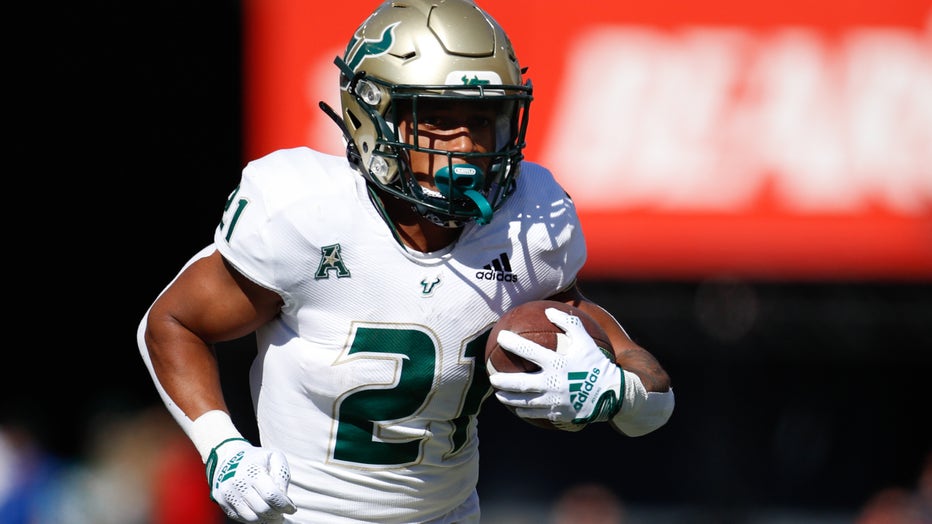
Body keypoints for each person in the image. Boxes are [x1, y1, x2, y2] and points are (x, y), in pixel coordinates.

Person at [136, 1, 675, 522]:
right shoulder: (304, 213)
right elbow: (171, 323)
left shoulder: (528, 223)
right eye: (437, 119)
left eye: (483, 120)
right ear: (371, 118)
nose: (465, 145)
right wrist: (222, 448)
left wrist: (613, 393)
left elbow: (653, 393)